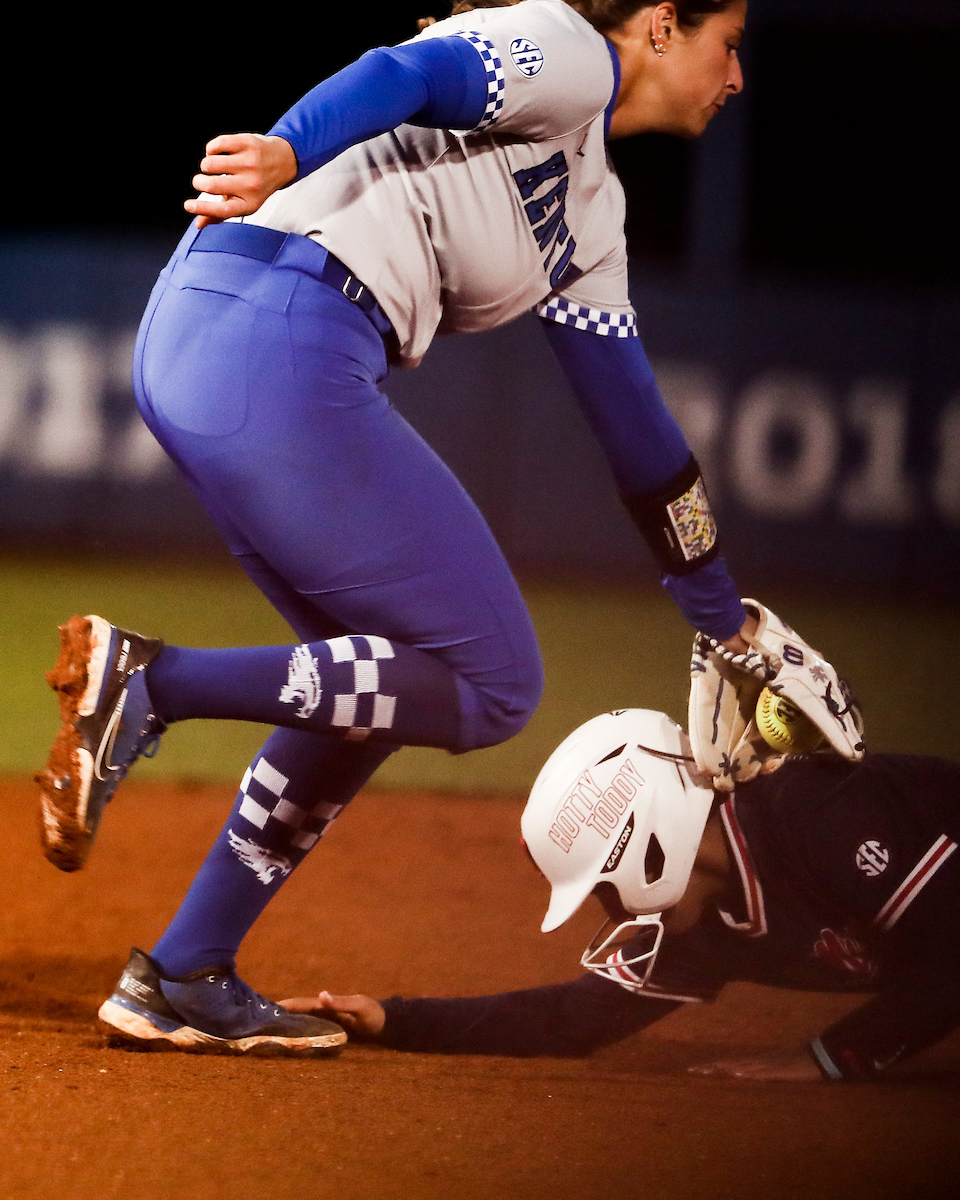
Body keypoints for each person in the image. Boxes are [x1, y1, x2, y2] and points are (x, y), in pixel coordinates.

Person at [37, 0, 764, 1056]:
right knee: (494, 682)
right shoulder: (573, 50)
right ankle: (153, 683)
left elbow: (638, 431)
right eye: (728, 42)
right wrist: (289, 148)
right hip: (275, 323)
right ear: (660, 25)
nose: (737, 76)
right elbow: (404, 72)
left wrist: (723, 614)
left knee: (383, 682)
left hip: (235, 335)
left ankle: (186, 971)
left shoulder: (593, 215)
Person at [283, 710, 960, 1082]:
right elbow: (571, 1020)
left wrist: (828, 1055)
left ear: (650, 848)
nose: (614, 911)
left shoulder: (814, 812)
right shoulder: (704, 920)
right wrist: (391, 1019)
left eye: (605, 889)